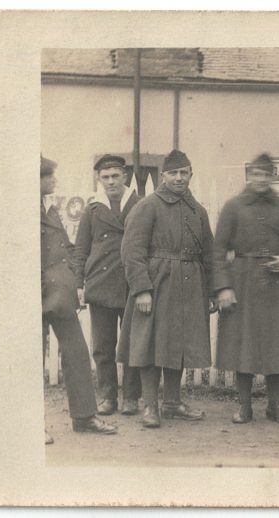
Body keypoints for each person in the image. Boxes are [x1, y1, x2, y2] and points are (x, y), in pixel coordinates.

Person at [118, 150, 215, 429]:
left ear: (191, 175)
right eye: (173, 173)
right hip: (157, 283)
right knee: (151, 344)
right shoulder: (148, 205)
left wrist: (210, 291)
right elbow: (131, 250)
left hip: (190, 286)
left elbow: (209, 252)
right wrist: (142, 290)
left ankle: (172, 403)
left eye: (184, 172)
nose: (179, 178)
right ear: (163, 176)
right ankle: (150, 405)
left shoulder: (199, 211)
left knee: (179, 343)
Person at [214, 153, 279, 425]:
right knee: (243, 345)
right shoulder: (233, 207)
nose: (260, 180)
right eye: (255, 174)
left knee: (276, 345)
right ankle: (244, 406)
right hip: (242, 282)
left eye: (265, 175)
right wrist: (223, 287)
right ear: (248, 176)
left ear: (273, 178)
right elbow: (219, 250)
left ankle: (275, 406)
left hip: (278, 285)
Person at [40, 155, 117, 443]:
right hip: (34, 296)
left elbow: (67, 247)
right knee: (29, 361)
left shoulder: (49, 208)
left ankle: (84, 417)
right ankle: (30, 424)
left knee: (77, 354)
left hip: (60, 295)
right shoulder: (21, 210)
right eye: (48, 176)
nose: (53, 180)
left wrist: (73, 275)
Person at [73, 155, 141, 417]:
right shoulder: (92, 210)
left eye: (115, 176)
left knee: (133, 343)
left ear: (124, 176)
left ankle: (132, 398)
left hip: (130, 284)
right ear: (99, 179)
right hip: (100, 284)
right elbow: (81, 250)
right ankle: (108, 396)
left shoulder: (139, 204)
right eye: (105, 177)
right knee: (103, 346)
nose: (111, 181)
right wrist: (78, 283)